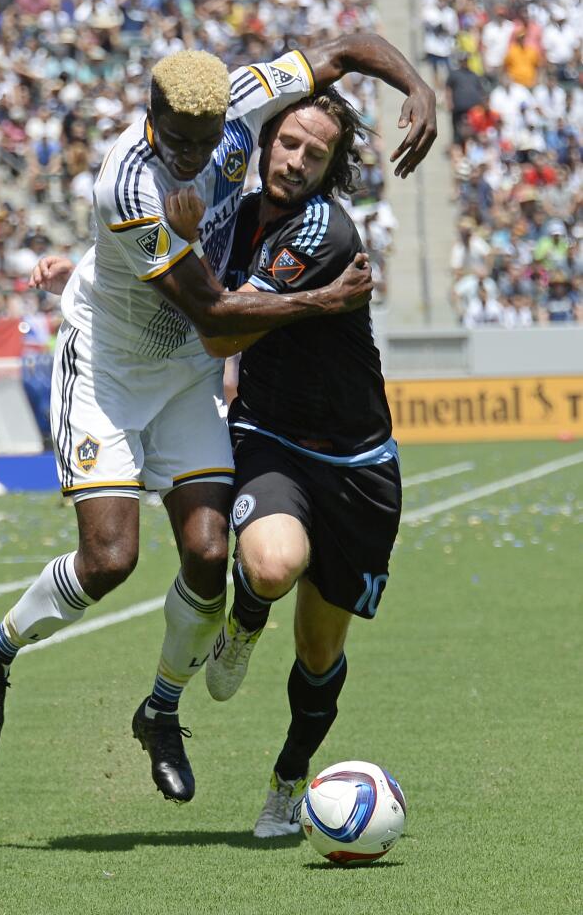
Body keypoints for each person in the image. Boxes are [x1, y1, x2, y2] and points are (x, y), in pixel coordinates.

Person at [0, 41, 436, 804]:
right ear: (149, 116)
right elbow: (216, 318)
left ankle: (162, 711)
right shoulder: (127, 186)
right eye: (175, 139)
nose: (191, 156)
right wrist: (322, 301)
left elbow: (345, 49)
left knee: (210, 555)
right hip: (111, 368)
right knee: (111, 558)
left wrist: (418, 87)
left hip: (182, 369)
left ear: (229, 116)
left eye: (205, 141)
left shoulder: (247, 96)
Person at [162, 87, 401, 836]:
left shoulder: (325, 232)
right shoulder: (233, 205)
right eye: (288, 143)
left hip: (359, 464)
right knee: (269, 564)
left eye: (314, 153)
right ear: (267, 141)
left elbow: (224, 335)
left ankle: (289, 777)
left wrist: (196, 256)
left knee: (322, 648)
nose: (294, 160)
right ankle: (243, 623)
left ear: (330, 168)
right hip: (269, 435)